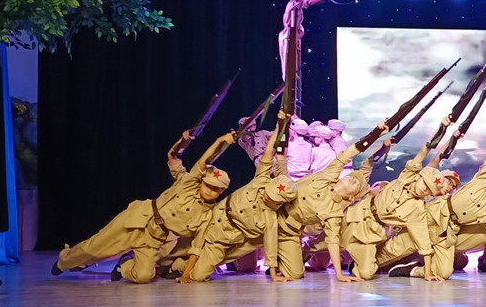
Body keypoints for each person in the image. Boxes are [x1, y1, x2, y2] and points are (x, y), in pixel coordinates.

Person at [52, 130, 232, 283]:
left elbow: (196, 247)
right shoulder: (188, 184)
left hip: (156, 237)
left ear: (222, 191)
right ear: (201, 182)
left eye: (215, 188)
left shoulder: (208, 214)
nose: (210, 190)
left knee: (143, 276)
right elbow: (202, 161)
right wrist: (221, 141)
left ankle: (125, 262)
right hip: (140, 218)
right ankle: (64, 261)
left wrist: (186, 274)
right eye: (208, 185)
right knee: (93, 247)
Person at [389, 109, 486, 281]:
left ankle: (412, 269)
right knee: (392, 250)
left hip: (449, 231)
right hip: (433, 214)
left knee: (444, 272)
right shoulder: (482, 179)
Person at [177, 114, 298, 282]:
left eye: (274, 199)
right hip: (219, 224)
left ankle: (187, 265)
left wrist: (273, 274)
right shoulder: (261, 179)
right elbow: (270, 152)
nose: (267, 198)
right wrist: (280, 124)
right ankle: (179, 265)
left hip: (237, 238)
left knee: (204, 273)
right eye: (269, 193)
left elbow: (270, 244)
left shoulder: (270, 216)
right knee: (194, 266)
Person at [267, 120, 390, 281]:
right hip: (274, 206)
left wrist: (339, 275)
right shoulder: (329, 175)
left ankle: (289, 256)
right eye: (380, 187)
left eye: (355, 183)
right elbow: (357, 156)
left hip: (293, 230)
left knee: (297, 272)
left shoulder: (337, 209)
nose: (353, 179)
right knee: (280, 161)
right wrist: (377, 135)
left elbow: (332, 240)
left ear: (351, 197)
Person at [341, 115, 454, 281]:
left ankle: (357, 262)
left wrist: (427, 273)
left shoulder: (417, 210)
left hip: (372, 232)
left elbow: (423, 242)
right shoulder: (405, 177)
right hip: (355, 214)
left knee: (366, 273)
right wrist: (442, 128)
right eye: (425, 183)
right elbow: (424, 151)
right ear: (418, 177)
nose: (425, 189)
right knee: (319, 244)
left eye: (429, 189)